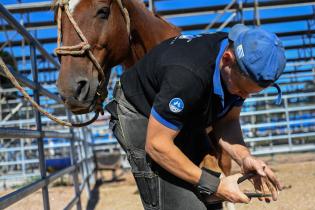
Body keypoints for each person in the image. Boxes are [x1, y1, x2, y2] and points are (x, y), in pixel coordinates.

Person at [106, 24, 286, 210]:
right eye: (241, 90)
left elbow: (227, 121)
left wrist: (244, 157)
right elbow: (157, 144)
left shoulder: (238, 64)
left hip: (183, 114)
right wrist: (215, 185)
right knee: (183, 204)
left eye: (250, 93)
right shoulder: (187, 75)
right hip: (140, 111)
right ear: (227, 59)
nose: (243, 97)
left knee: (212, 199)